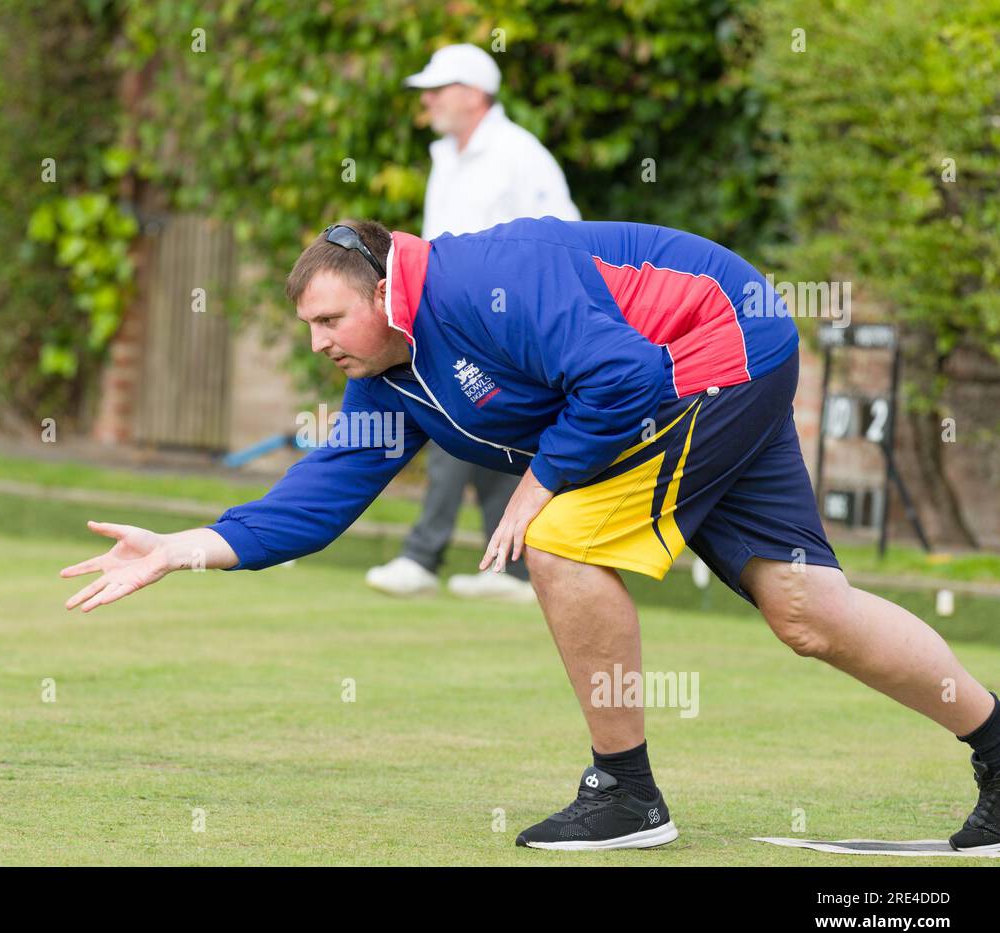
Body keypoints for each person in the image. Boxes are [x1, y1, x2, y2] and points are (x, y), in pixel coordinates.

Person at [61, 217, 1000, 853]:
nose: (317, 343)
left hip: (719, 342)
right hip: (711, 368)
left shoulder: (488, 279)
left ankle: (625, 792)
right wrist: (183, 546)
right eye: (306, 327)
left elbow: (621, 374)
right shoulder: (390, 380)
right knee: (807, 611)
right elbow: (321, 499)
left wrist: (540, 486)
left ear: (385, 292)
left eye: (328, 319)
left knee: (558, 542)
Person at [366, 44, 581, 603]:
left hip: (504, 325)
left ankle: (421, 556)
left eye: (440, 89)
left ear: (475, 93)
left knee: (449, 421)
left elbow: (563, 234)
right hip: (450, 318)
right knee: (491, 434)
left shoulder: (520, 154)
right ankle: (511, 569)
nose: (430, 100)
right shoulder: (447, 156)